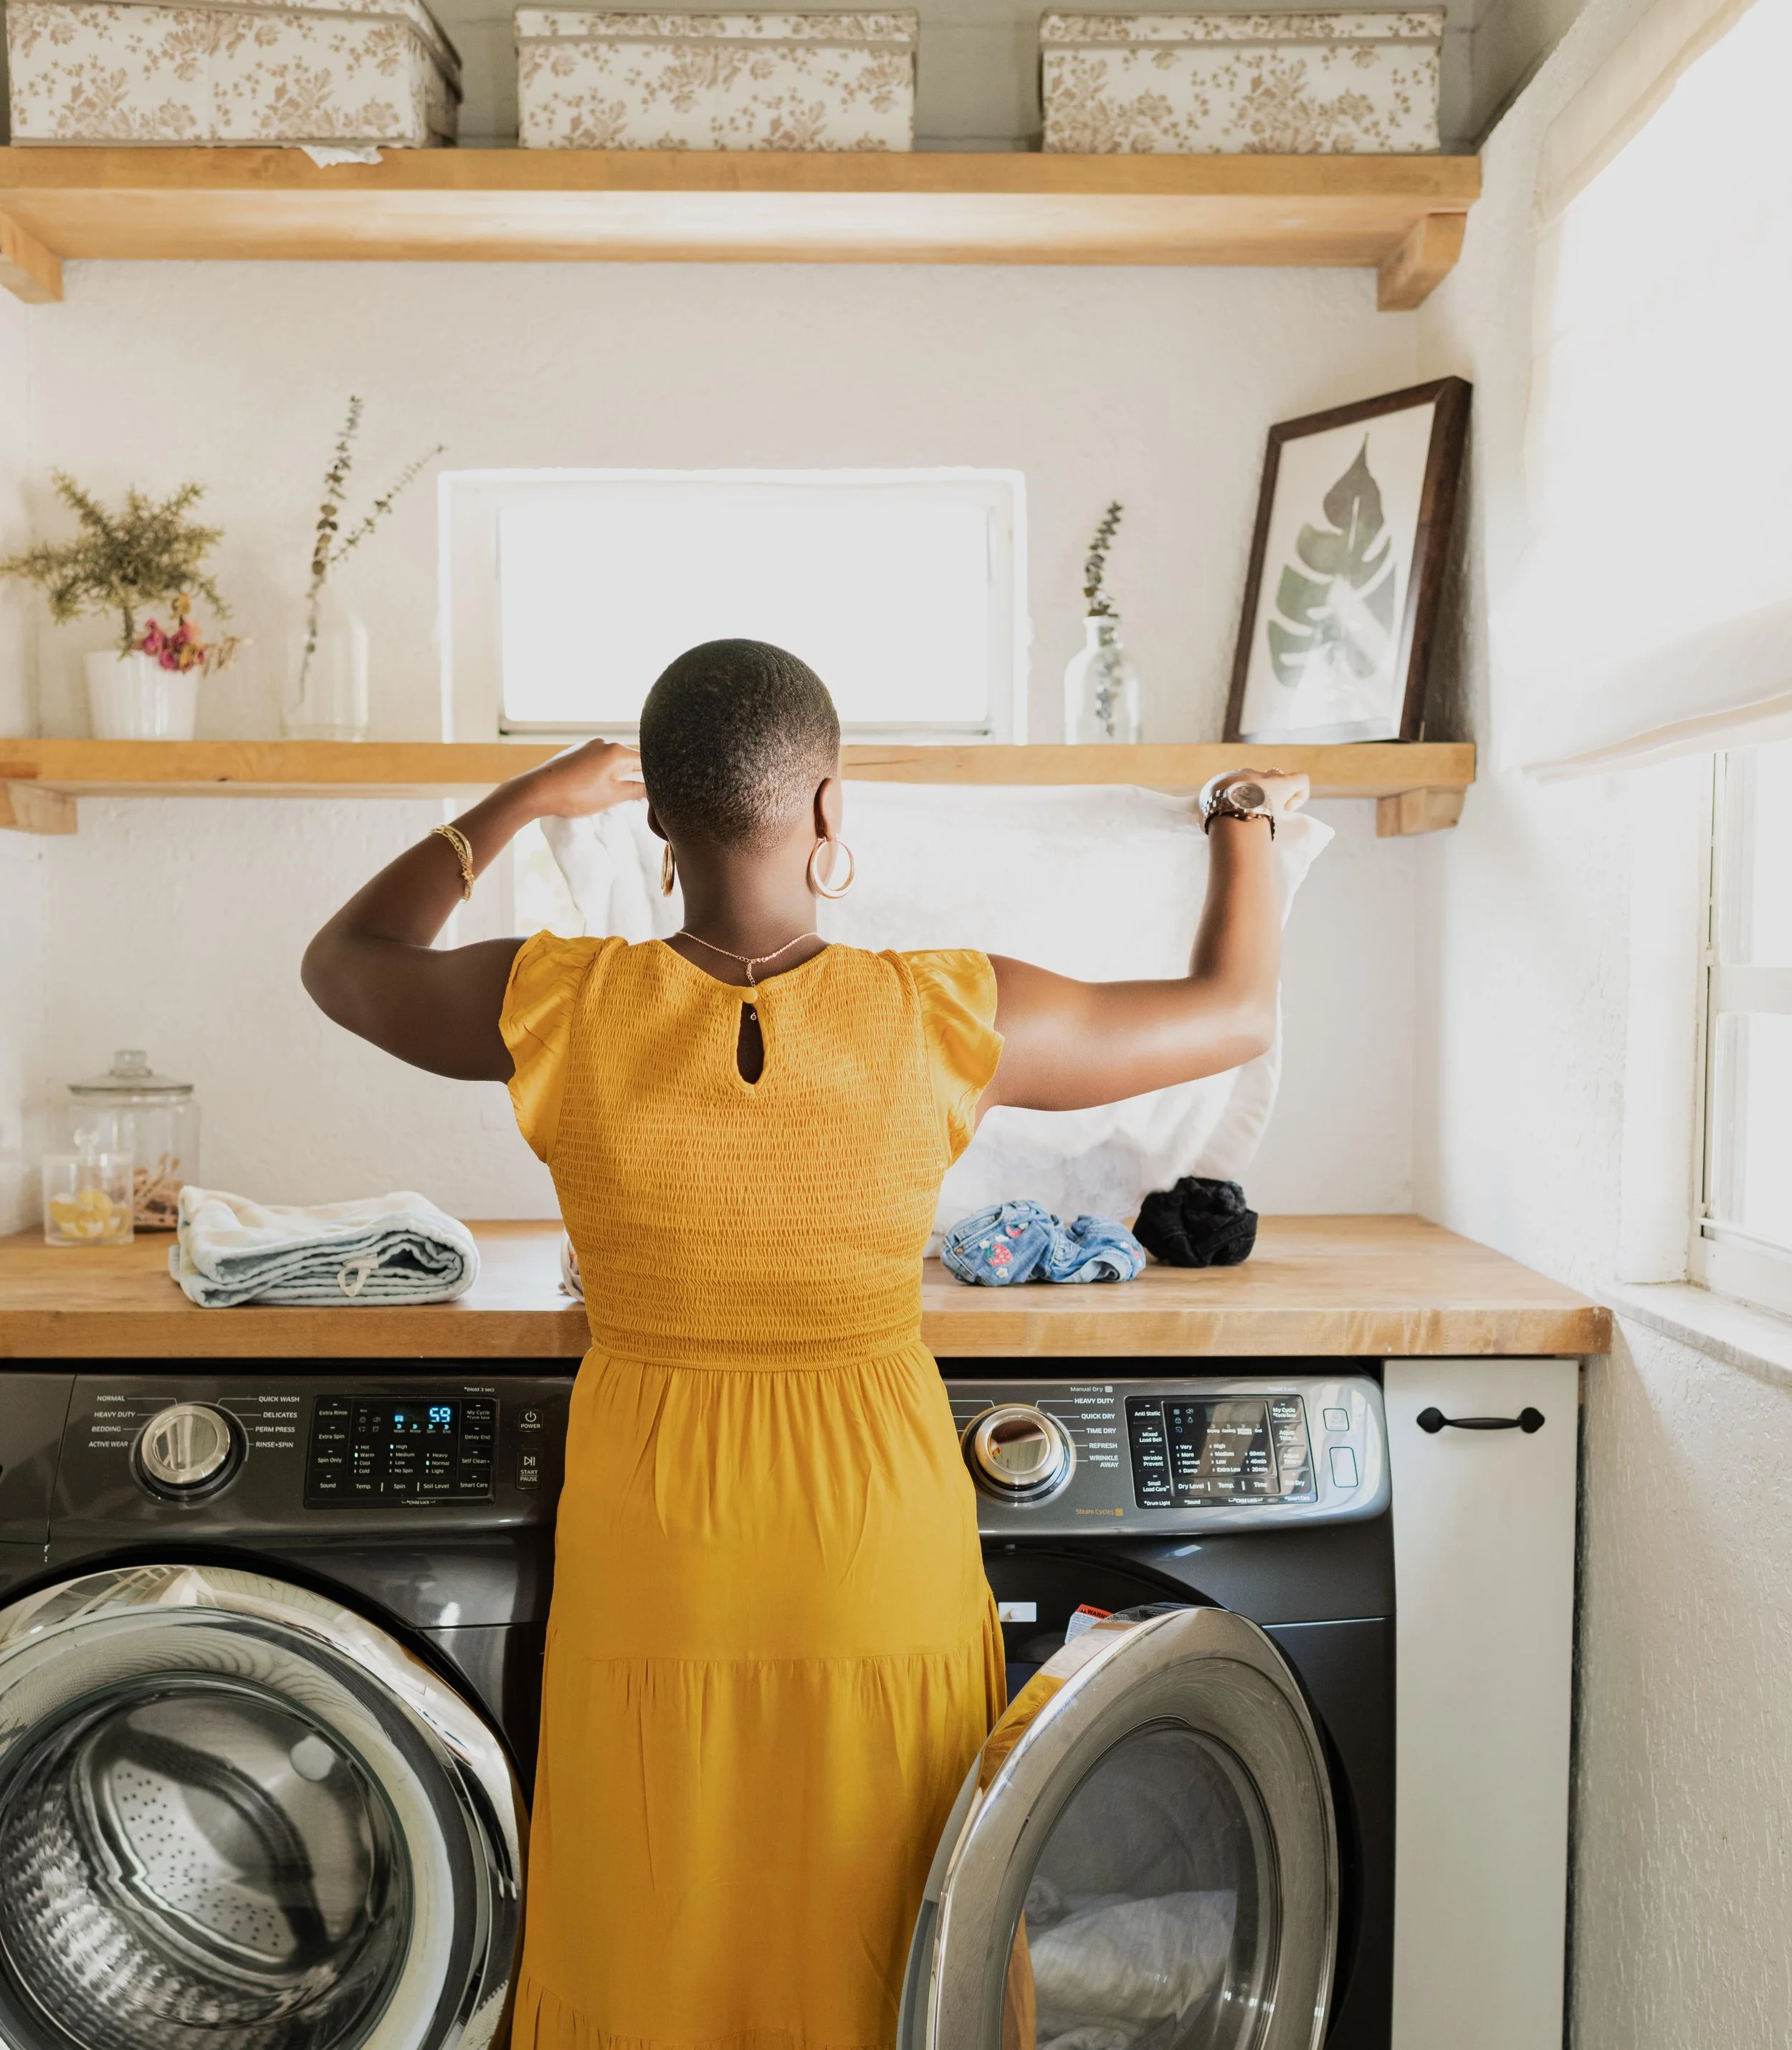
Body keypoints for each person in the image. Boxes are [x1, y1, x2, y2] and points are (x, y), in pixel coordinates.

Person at [302, 637, 1307, 2050]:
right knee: (885, 1937)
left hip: (655, 1538)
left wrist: (521, 799)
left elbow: (344, 963)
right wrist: (1244, 825)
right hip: (871, 1537)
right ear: (828, 810)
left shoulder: (558, 1002)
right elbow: (1233, 1012)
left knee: (657, 1924)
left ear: (655, 818)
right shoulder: (943, 1010)